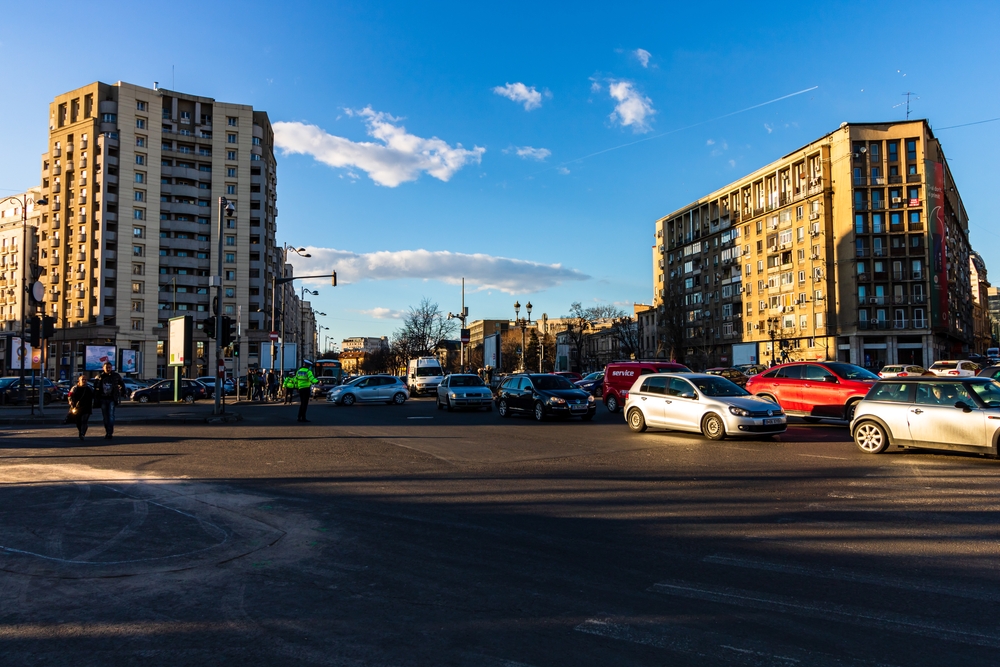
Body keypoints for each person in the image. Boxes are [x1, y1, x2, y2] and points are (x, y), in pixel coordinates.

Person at [93, 361, 127, 439]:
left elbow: (122, 383)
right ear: (103, 368)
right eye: (106, 367)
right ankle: (107, 431)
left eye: (109, 367)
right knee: (105, 417)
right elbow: (95, 388)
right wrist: (95, 398)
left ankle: (110, 432)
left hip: (112, 398)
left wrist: (123, 392)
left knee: (111, 416)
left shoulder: (115, 375)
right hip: (103, 398)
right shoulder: (99, 377)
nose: (108, 369)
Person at [67, 374, 95, 440]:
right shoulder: (75, 388)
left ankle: (82, 433)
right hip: (77, 408)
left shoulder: (89, 388)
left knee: (84, 420)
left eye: (85, 379)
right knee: (78, 421)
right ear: (79, 380)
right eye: (82, 379)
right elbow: (70, 395)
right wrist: (70, 401)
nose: (84, 381)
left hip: (87, 407)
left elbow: (94, 396)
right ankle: (81, 431)